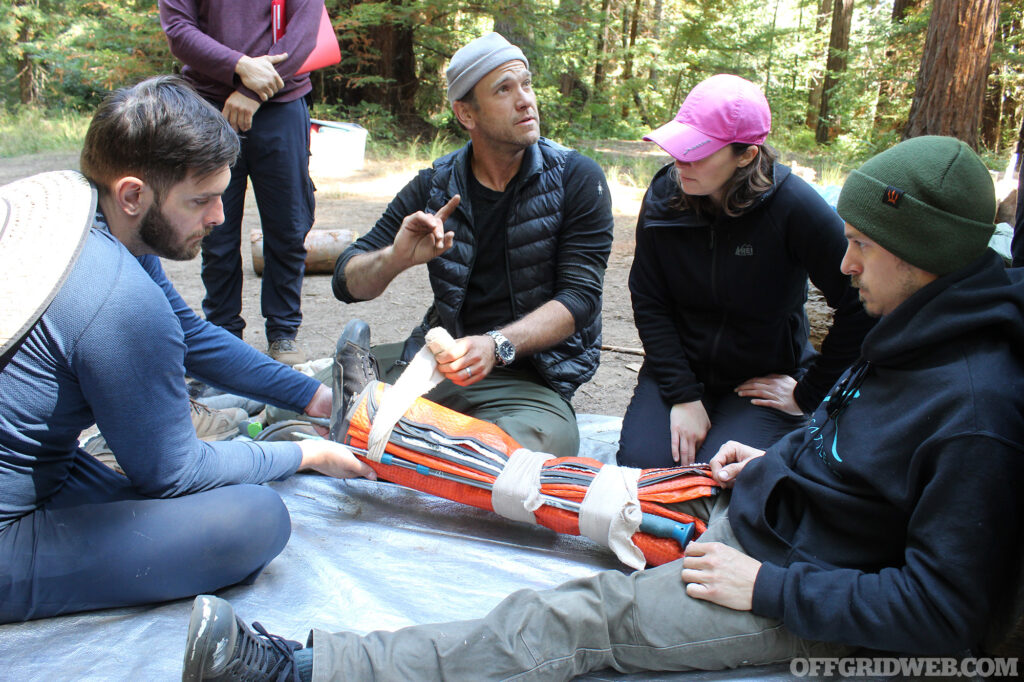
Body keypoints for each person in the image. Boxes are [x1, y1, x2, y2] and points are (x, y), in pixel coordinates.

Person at [180, 135, 1024, 681]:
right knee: (565, 485)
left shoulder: (979, 404)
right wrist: (776, 461)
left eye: (864, 247)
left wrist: (767, 587)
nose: (842, 265)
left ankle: (304, 669)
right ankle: (354, 418)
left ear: (924, 257)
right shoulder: (914, 324)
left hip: (801, 579)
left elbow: (945, 610)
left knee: (572, 618)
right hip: (769, 511)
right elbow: (859, 453)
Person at [0, 76, 375, 624]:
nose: (220, 217)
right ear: (134, 193)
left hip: (45, 472)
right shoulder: (117, 298)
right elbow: (173, 473)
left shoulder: (86, 211)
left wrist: (314, 397)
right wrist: (308, 454)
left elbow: (190, 336)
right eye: (201, 200)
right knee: (254, 517)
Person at [330, 33, 614, 458]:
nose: (525, 100)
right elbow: (346, 281)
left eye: (526, 84)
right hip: (442, 363)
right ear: (466, 113)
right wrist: (394, 259)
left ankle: (382, 423)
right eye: (504, 89)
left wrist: (497, 345)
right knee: (309, 394)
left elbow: (580, 299)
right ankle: (396, 425)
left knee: (540, 448)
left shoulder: (577, 178)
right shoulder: (434, 186)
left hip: (530, 378)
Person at [617, 74, 874, 469]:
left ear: (747, 155)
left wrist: (809, 392)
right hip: (678, 369)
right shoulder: (665, 196)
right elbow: (649, 298)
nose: (680, 162)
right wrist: (683, 395)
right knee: (643, 469)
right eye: (678, 147)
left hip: (760, 380)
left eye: (697, 152)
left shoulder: (793, 206)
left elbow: (860, 300)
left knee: (720, 474)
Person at [159, 0, 324, 365]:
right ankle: (222, 335)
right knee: (212, 229)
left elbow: (305, 31)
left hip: (282, 103)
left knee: (288, 226)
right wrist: (240, 67)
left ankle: (283, 333)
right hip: (207, 105)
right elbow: (179, 31)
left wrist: (252, 92)